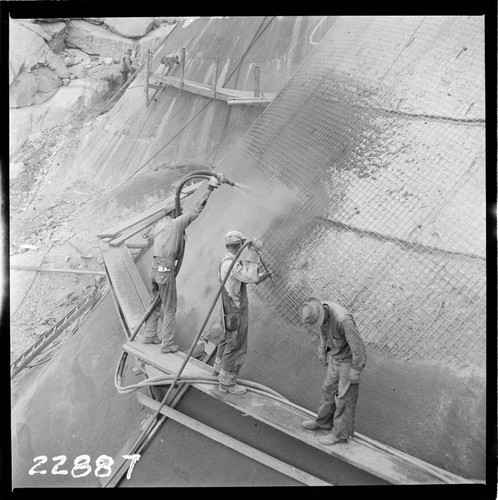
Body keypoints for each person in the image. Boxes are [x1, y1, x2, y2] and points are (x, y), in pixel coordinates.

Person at [142, 176, 221, 352]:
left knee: (154, 302)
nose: (180, 213)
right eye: (179, 211)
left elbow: (158, 240)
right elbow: (195, 211)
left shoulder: (160, 225)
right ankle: (167, 343)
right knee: (170, 307)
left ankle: (150, 334)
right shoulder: (176, 224)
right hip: (165, 268)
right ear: (174, 212)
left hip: (154, 268)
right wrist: (210, 188)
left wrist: (179, 240)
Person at [300, 298, 367, 445]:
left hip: (348, 361)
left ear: (322, 314)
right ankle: (323, 422)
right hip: (335, 357)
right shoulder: (318, 312)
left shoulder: (343, 321)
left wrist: (356, 369)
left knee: (344, 398)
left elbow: (358, 347)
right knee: (328, 390)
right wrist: (322, 351)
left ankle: (340, 434)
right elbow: (323, 332)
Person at [214, 231, 272, 394]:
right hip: (236, 310)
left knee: (226, 339)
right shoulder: (231, 264)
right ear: (240, 245)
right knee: (237, 345)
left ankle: (217, 372)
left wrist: (263, 276)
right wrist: (253, 252)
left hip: (227, 309)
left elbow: (246, 277)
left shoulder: (225, 261)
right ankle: (227, 383)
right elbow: (250, 277)